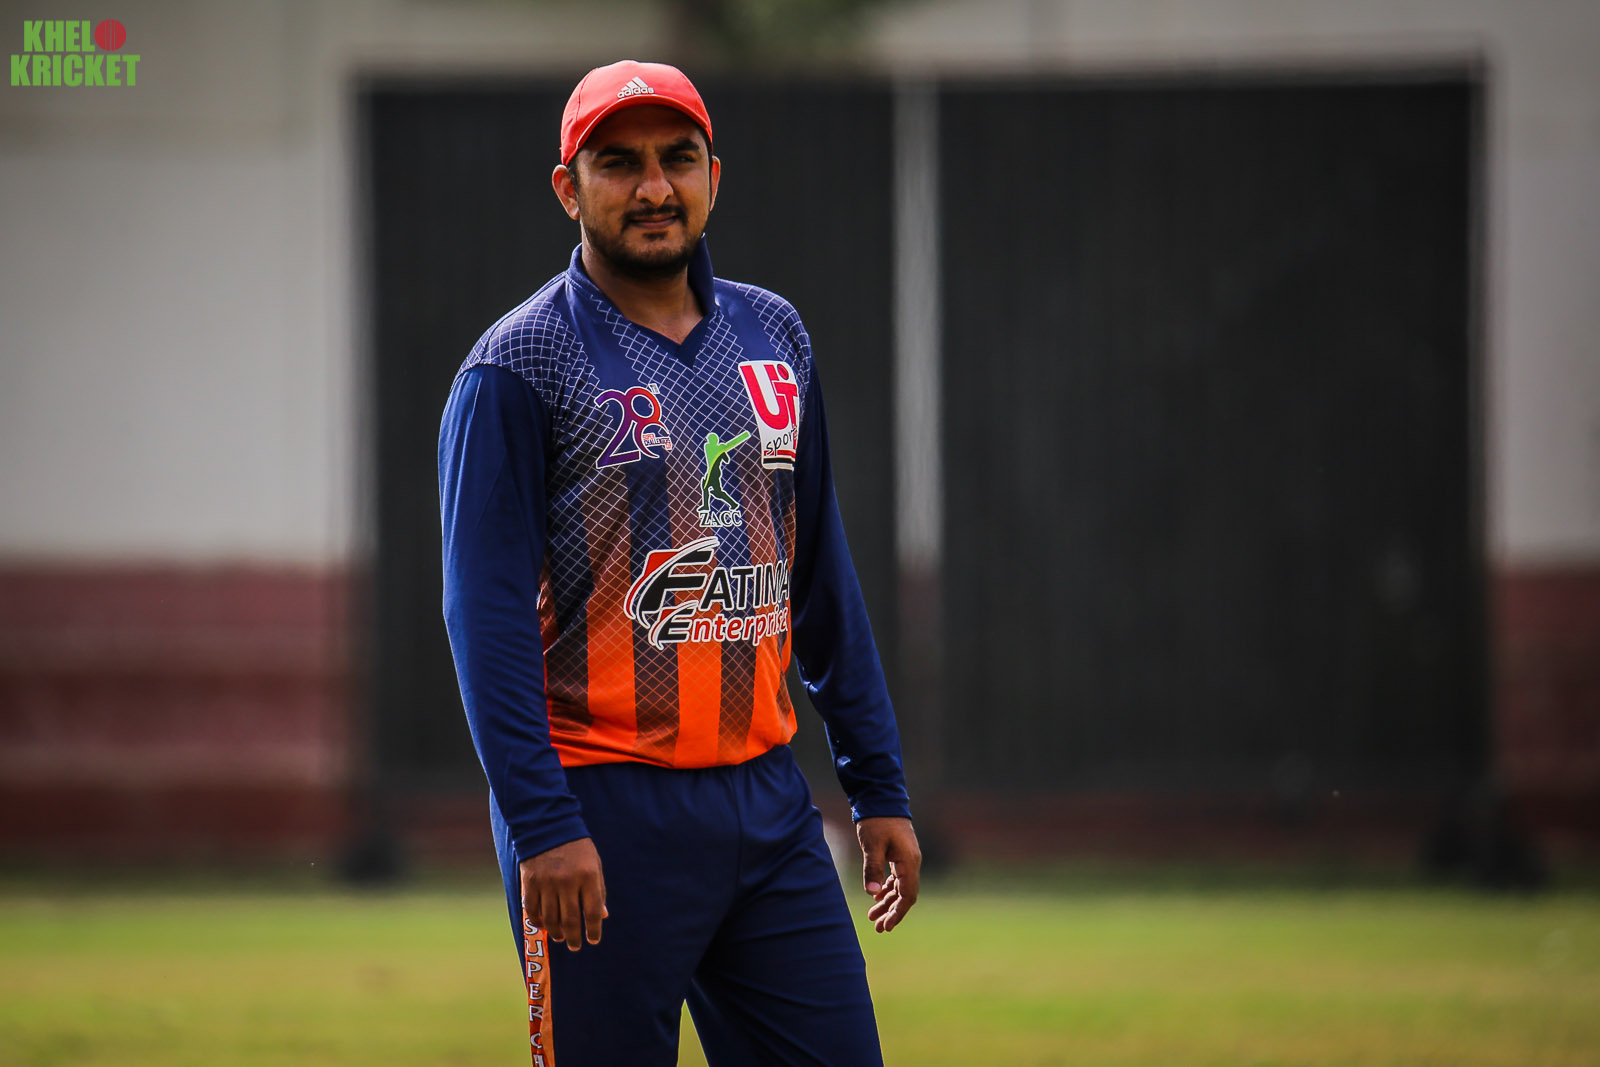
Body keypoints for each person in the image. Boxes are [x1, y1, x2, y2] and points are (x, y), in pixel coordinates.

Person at [439, 59, 920, 1065]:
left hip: (768, 804)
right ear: (569, 188)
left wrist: (877, 784)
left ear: (713, 176)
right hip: (600, 808)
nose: (653, 186)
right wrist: (542, 823)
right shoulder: (516, 366)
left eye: (677, 159)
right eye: (619, 164)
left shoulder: (774, 334)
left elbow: (819, 574)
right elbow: (482, 621)